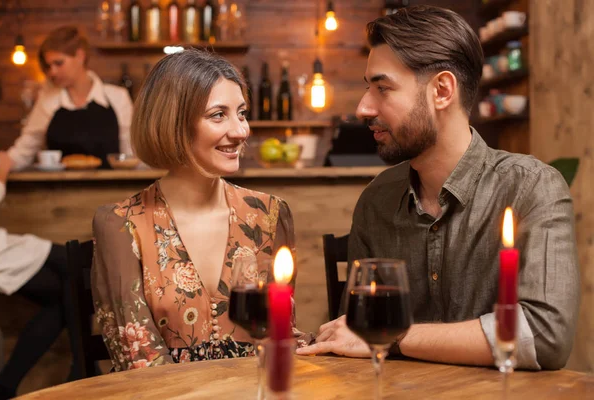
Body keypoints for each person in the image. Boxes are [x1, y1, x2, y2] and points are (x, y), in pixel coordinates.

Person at [297, 5, 579, 370]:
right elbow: (354, 340)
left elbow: (544, 336)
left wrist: (394, 334)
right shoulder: (377, 200)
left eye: (383, 88)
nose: (364, 107)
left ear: (442, 90)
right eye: (369, 88)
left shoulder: (529, 187)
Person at [91, 49, 300, 371]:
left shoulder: (269, 214)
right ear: (172, 122)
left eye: (241, 113)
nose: (241, 131)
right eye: (218, 115)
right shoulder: (121, 224)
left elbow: (281, 337)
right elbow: (138, 361)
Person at [0, 151, 78, 400]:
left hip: (1, 244)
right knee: (73, 265)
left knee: (64, 293)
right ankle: (81, 365)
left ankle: (4, 386)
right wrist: (1, 172)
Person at [8, 26, 132, 170]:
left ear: (80, 56)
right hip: (58, 191)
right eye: (48, 66)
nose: (52, 72)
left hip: (113, 189)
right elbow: (23, 152)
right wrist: (0, 164)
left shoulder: (118, 97)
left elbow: (131, 154)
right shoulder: (47, 101)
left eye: (58, 63)